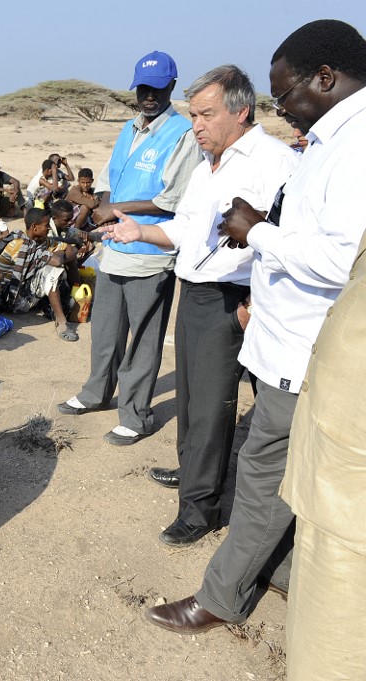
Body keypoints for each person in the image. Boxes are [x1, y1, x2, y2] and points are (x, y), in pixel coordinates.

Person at [145, 23, 366, 648]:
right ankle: (287, 569)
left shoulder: (354, 147)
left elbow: (344, 257)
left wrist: (256, 232)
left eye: (284, 94)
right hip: (279, 334)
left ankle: (222, 596)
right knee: (279, 467)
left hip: (305, 349)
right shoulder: (330, 139)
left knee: (264, 469)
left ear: (325, 77)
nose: (281, 110)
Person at [100, 65, 298, 545]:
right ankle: (193, 476)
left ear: (241, 110)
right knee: (191, 398)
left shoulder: (274, 162)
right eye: (193, 116)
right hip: (194, 292)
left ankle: (200, 509)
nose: (196, 126)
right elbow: (186, 225)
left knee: (212, 407)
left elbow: (287, 241)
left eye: (206, 115)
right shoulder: (209, 164)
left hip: (233, 299)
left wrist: (251, 301)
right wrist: (140, 230)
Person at [58, 50, 202, 446]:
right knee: (105, 331)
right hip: (114, 249)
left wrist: (113, 209)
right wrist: (95, 211)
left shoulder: (182, 135)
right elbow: (107, 181)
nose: (149, 95)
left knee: (142, 340)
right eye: (143, 88)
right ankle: (96, 393)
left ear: (171, 87)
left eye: (156, 88)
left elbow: (171, 200)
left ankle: (136, 415)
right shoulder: (128, 128)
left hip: (151, 253)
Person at [0, 208, 81, 341]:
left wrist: (62, 254)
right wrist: (61, 254)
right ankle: (61, 321)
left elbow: (71, 249)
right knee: (50, 271)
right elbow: (57, 260)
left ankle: (79, 296)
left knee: (62, 262)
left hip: (24, 290)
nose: (49, 229)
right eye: (46, 225)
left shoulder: (42, 241)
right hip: (10, 298)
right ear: (35, 227)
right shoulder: (19, 245)